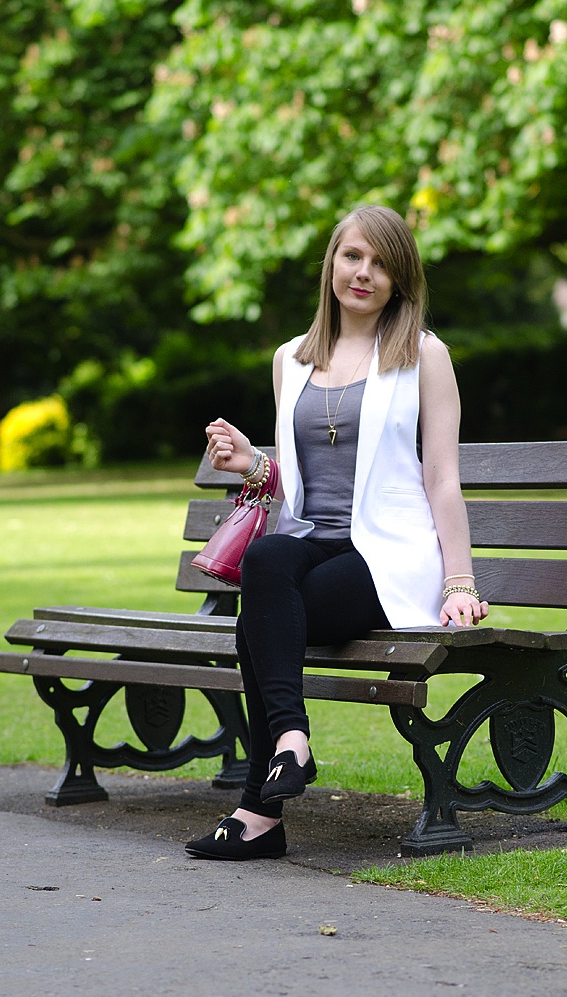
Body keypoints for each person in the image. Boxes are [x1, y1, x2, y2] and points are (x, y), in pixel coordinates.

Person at [185, 204, 489, 861]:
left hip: (385, 557)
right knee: (267, 560)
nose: (363, 273)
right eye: (353, 256)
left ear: (399, 279)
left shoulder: (423, 355)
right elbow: (296, 486)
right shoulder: (289, 360)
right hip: (311, 546)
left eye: (381, 263)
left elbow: (440, 477)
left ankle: (259, 807)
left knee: (257, 617)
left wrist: (459, 580)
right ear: (331, 262)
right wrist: (255, 464)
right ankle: (290, 745)